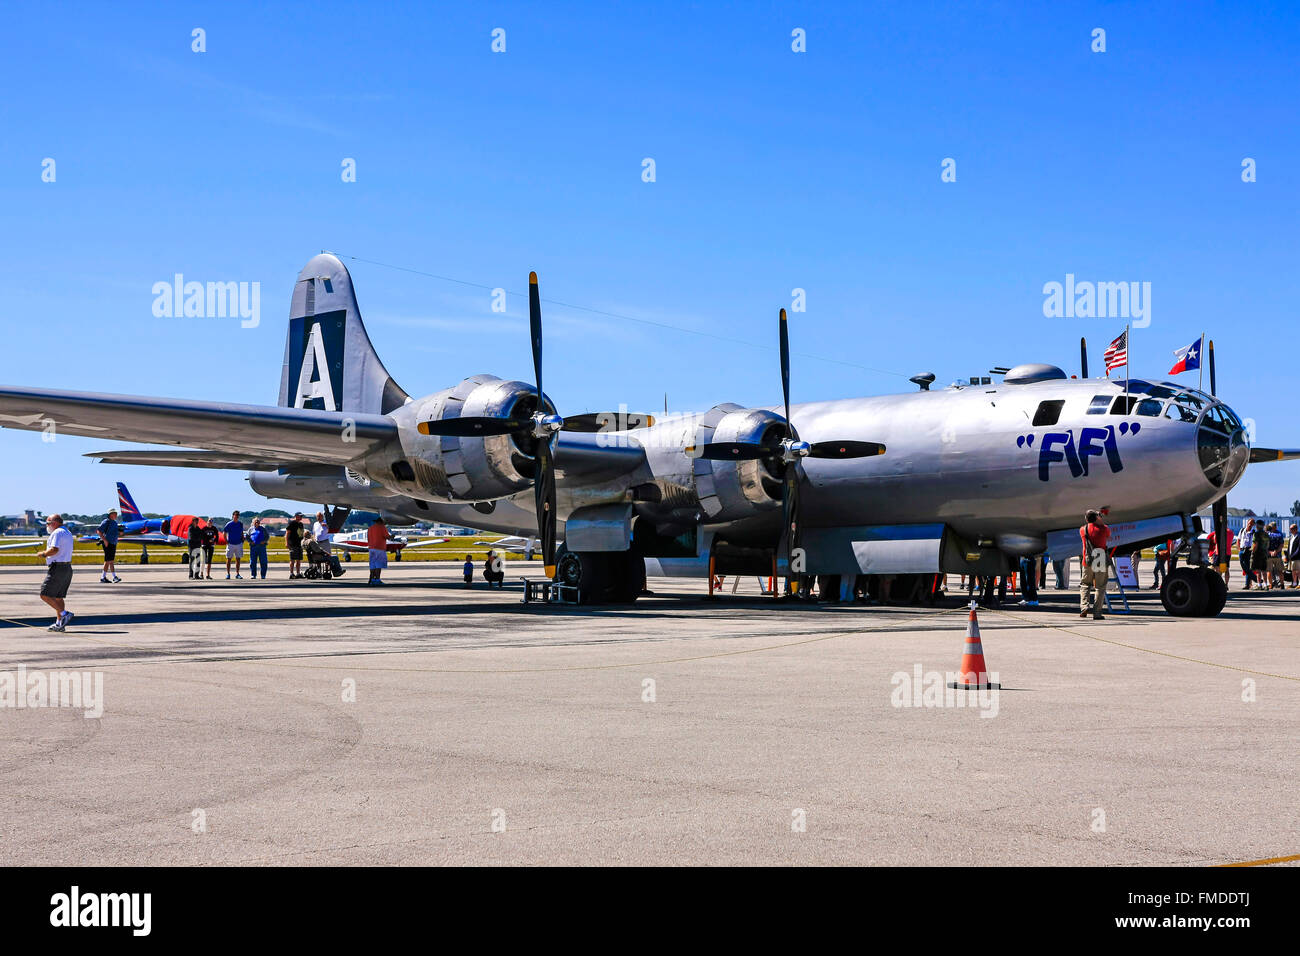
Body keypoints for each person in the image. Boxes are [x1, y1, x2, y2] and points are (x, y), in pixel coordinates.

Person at [38, 514, 76, 631]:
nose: (47, 526)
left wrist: (43, 554)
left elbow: (54, 549)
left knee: (44, 594)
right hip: (66, 567)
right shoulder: (67, 532)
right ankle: (60, 623)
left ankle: (64, 614)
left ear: (54, 523)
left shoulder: (57, 532)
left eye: (48, 523)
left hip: (57, 568)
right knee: (58, 597)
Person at [1079, 510, 1110, 620]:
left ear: (1086, 519)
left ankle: (1084, 607)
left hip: (1087, 560)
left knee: (1085, 584)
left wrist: (1095, 518)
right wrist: (1100, 520)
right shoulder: (1103, 529)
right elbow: (1108, 534)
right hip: (1100, 558)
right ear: (1097, 517)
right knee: (1100, 587)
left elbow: (1088, 525)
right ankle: (1097, 613)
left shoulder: (1083, 530)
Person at [97, 508, 122, 583]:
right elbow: (99, 531)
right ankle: (103, 577)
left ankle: (113, 577)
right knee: (108, 561)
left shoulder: (114, 522)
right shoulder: (106, 522)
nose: (116, 515)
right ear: (110, 514)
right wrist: (105, 540)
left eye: (116, 513)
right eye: (114, 513)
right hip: (108, 543)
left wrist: (120, 533)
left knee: (111, 561)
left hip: (113, 543)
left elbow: (114, 532)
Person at [366, 515, 389, 584]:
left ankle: (372, 579)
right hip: (380, 548)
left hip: (371, 548)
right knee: (379, 564)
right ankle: (377, 579)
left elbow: (368, 539)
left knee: (372, 564)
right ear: (381, 522)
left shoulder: (370, 528)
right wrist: (392, 536)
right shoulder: (382, 527)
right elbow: (386, 536)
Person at [223, 510, 245, 580]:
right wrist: (226, 541)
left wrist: (242, 539)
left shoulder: (240, 524)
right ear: (233, 516)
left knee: (238, 559)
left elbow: (241, 532)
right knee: (229, 558)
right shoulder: (229, 524)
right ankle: (228, 573)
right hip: (231, 544)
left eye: (238, 515)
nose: (236, 516)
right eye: (235, 515)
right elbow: (224, 533)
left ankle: (237, 573)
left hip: (239, 543)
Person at [1251, 521, 1269, 590]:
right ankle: (1266, 584)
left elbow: (1255, 544)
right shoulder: (1266, 534)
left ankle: (1259, 584)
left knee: (1258, 570)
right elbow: (1267, 545)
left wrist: (1253, 551)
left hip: (1258, 553)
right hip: (1264, 553)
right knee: (1264, 570)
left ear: (1257, 526)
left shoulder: (1256, 534)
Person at [286, 513, 305, 579]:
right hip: (293, 544)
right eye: (300, 516)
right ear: (296, 516)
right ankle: (291, 573)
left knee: (299, 560)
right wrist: (287, 543)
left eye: (302, 516)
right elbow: (287, 533)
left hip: (300, 544)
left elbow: (302, 533)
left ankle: (298, 573)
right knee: (292, 559)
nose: (301, 517)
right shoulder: (292, 523)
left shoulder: (301, 524)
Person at [1266, 522, 1284, 590]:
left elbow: (1265, 545)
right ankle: (1281, 584)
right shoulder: (1280, 534)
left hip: (1271, 555)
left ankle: (1271, 584)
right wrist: (1275, 551)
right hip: (1277, 554)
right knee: (1278, 571)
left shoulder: (1267, 534)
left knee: (1270, 571)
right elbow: (1281, 545)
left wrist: (1271, 552)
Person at [1239, 519, 1256, 588]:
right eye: (1249, 523)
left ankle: (1247, 584)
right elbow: (1238, 539)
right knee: (1244, 567)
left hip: (1249, 550)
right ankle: (1253, 578)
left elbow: (1255, 542)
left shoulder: (1254, 532)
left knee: (1248, 567)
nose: (1250, 524)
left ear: (1253, 524)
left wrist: (1252, 550)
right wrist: (1238, 548)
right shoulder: (1242, 530)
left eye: (1251, 523)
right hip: (1242, 549)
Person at [1288, 524, 1300, 589]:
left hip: (1297, 557)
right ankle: (1294, 583)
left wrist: (1293, 555)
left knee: (1298, 571)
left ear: (1296, 529)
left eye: (1291, 529)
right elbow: (1289, 547)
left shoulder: (1299, 536)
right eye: (1290, 529)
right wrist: (1287, 556)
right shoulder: (1291, 537)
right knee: (1293, 571)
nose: (1290, 530)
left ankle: (1299, 583)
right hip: (1291, 557)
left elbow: (1299, 548)